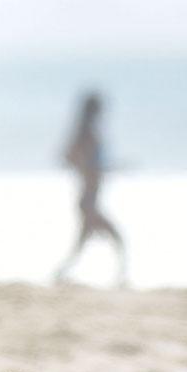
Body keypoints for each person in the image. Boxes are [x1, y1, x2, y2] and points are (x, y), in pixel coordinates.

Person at [54, 91, 129, 287]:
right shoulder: (87, 134)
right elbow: (70, 158)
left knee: (81, 245)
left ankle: (59, 275)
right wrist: (86, 169)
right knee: (117, 239)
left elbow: (78, 160)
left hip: (90, 198)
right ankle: (121, 279)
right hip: (88, 200)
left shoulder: (87, 132)